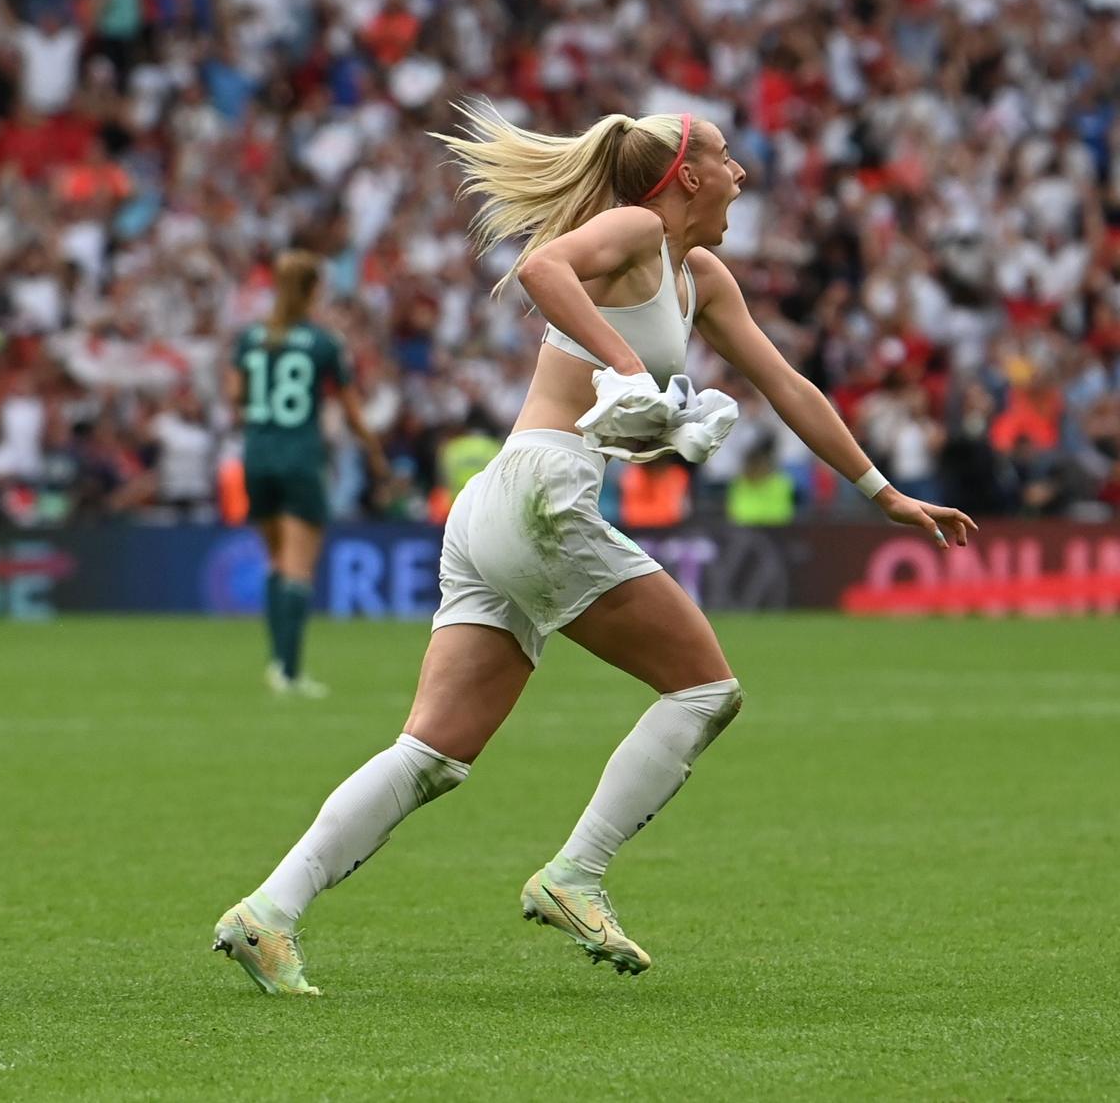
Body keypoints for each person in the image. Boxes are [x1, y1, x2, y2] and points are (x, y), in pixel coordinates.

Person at [213, 108, 975, 994]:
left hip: (501, 502)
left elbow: (786, 383)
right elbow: (541, 266)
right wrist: (628, 370)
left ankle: (267, 913)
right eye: (728, 160)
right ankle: (575, 874)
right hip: (541, 495)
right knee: (705, 689)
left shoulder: (700, 275)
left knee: (432, 754)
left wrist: (880, 491)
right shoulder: (639, 228)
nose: (743, 175)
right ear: (687, 174)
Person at [227, 249, 389, 697]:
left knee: (277, 562)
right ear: (312, 289)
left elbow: (234, 398)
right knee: (298, 567)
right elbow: (352, 410)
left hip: (256, 454)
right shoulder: (324, 342)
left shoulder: (249, 338)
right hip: (300, 455)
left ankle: (277, 663)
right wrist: (375, 453)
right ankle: (289, 671)